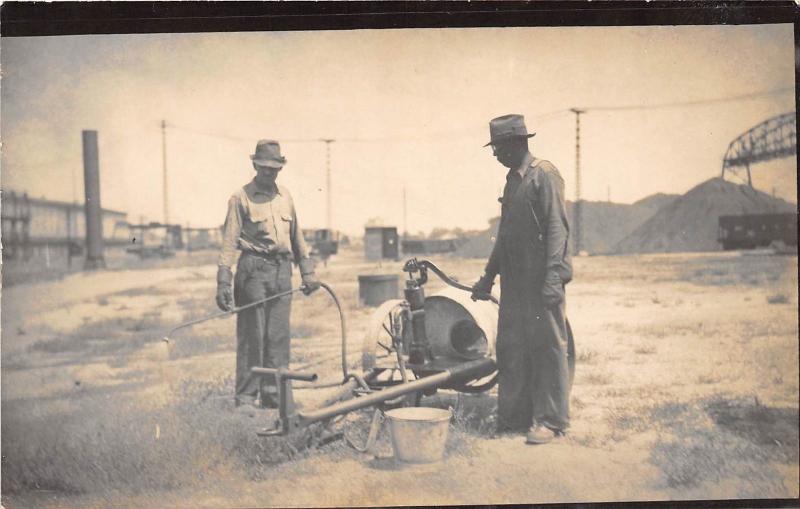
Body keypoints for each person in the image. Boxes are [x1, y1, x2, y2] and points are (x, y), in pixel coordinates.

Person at [471, 114, 573, 444]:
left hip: (541, 280)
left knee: (547, 348)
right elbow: (505, 236)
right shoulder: (512, 182)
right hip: (513, 284)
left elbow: (558, 229)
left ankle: (550, 421)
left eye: (499, 147)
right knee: (511, 348)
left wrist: (554, 279)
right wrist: (488, 276)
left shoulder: (544, 174)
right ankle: (514, 418)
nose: (495, 155)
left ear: (517, 143)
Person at [216, 139, 321, 410]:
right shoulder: (240, 197)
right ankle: (246, 398)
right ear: (255, 165)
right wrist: (223, 280)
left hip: (282, 271)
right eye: (264, 167)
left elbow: (296, 236)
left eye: (274, 168)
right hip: (253, 271)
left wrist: (307, 271)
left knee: (278, 337)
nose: (269, 173)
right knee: (253, 335)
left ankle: (274, 396)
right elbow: (229, 240)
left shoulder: (285, 196)